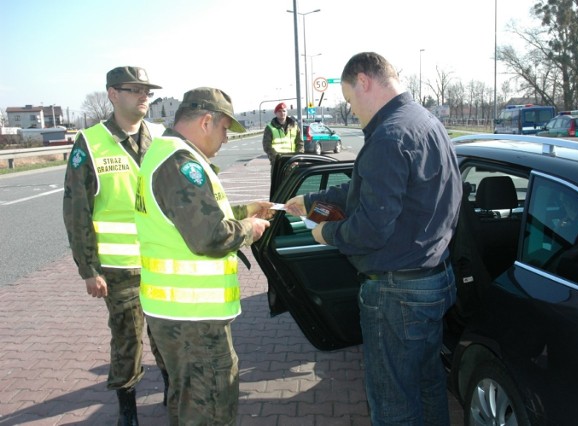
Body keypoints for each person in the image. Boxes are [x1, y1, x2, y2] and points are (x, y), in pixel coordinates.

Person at [285, 52, 462, 425]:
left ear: (363, 81)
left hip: (398, 292)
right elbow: (373, 188)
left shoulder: (388, 136)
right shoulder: (425, 121)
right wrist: (313, 201)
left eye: (349, 100)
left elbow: (370, 228)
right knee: (428, 383)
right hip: (434, 278)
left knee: (393, 401)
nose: (352, 111)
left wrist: (324, 232)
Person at [134, 87, 272, 425]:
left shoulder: (164, 153)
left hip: (176, 314)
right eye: (225, 129)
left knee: (188, 403)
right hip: (192, 318)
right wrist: (248, 229)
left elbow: (187, 217)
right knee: (210, 408)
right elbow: (209, 235)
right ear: (206, 121)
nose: (225, 138)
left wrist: (245, 210)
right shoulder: (181, 163)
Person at [62, 66, 168, 425]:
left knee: (167, 330)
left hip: (162, 261)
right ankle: (128, 410)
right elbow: (76, 211)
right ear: (112, 94)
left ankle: (172, 388)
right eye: (134, 89)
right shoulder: (90, 143)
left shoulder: (160, 135)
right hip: (119, 268)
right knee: (128, 341)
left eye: (147, 91)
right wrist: (88, 269)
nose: (144, 96)